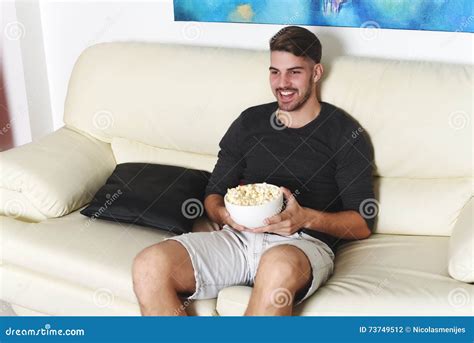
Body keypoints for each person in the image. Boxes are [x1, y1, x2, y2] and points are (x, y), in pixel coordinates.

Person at [132, 26, 375, 316]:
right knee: (149, 265)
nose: (282, 83)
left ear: (317, 72)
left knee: (277, 267)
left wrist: (304, 218)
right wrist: (223, 215)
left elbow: (362, 223)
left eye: (294, 72)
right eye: (275, 72)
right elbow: (214, 194)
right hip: (237, 238)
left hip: (300, 244)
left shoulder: (345, 133)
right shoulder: (249, 123)